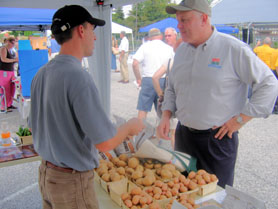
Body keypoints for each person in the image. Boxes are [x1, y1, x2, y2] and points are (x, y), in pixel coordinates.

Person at [28, 5, 144, 209]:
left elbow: (33, 126)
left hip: (47, 175)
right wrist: (129, 127)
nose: (96, 38)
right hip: (70, 182)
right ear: (81, 30)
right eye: (93, 30)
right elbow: (106, 143)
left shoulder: (42, 73)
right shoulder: (78, 76)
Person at [157, 0, 278, 188]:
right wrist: (166, 115)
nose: (178, 26)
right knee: (182, 191)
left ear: (204, 19)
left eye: (184, 20)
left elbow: (269, 84)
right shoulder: (181, 51)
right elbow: (172, 87)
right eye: (178, 21)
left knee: (216, 198)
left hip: (216, 140)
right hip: (184, 137)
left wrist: (240, 119)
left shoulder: (233, 49)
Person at [133, 28, 174, 120]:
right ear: (161, 36)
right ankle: (163, 131)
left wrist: (138, 79)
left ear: (149, 37)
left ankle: (140, 132)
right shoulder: (169, 48)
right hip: (163, 80)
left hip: (148, 79)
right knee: (163, 109)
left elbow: (135, 63)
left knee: (143, 109)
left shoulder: (145, 46)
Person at [153, 38, 182, 148]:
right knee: (173, 132)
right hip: (175, 104)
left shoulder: (170, 60)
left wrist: (161, 94)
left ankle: (158, 153)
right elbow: (155, 77)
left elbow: (155, 77)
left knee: (161, 129)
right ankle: (175, 156)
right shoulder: (174, 62)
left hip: (168, 103)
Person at [0, 37, 18, 113]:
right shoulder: (3, 49)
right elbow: (3, 59)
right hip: (4, 71)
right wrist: (14, 60)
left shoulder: (12, 50)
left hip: (10, 70)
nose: (13, 45)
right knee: (5, 88)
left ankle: (9, 104)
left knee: (12, 87)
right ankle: (4, 106)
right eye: (12, 43)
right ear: (8, 42)